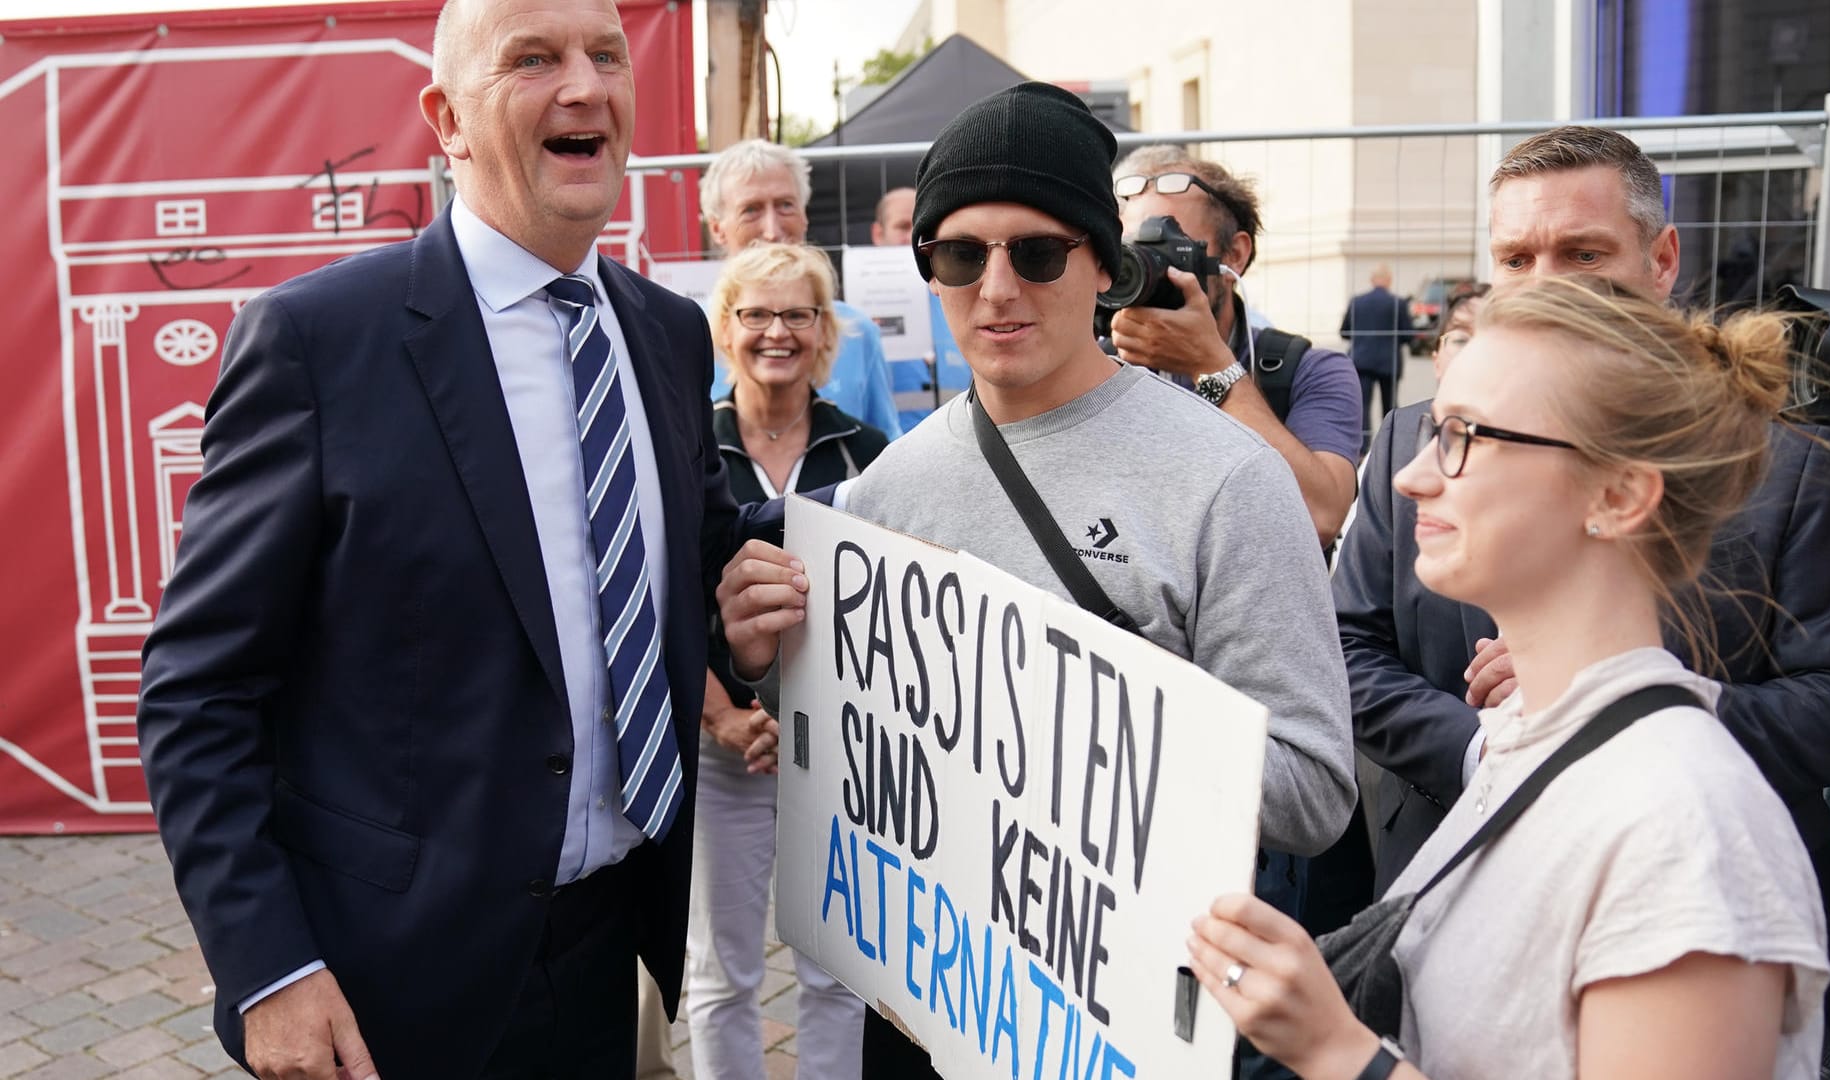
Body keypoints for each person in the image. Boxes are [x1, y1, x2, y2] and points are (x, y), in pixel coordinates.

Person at [134, 1, 768, 1076]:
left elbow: (687, 565)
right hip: (388, 984)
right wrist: (270, 969)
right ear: (447, 120)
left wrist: (743, 616)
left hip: (614, 947)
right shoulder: (317, 343)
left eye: (604, 56)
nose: (582, 85)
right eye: (533, 60)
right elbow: (197, 692)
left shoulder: (666, 335)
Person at [715, 81, 1357, 1079]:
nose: (998, 290)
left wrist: (1084, 709)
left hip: (1130, 1021)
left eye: (1040, 252)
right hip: (928, 1007)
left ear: (1105, 265)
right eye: (961, 255)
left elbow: (1316, 790)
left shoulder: (1231, 480)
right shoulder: (888, 486)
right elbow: (858, 742)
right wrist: (767, 660)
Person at [1192, 275, 1830, 1080]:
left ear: (1620, 493)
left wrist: (1341, 1053)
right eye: (1432, 430)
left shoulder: (1684, 829)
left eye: (1464, 436)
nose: (1410, 477)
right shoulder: (1529, 740)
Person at [1334, 124, 1830, 954]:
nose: (1546, 284)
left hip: (1708, 898)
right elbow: (1346, 649)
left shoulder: (1789, 450)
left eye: (1583, 254)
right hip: (1454, 885)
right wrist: (1488, 745)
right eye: (1518, 259)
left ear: (1661, 260)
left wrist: (1604, 698)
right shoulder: (1417, 439)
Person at [686, 243, 884, 1080]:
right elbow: (660, 604)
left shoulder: (866, 449)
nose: (777, 331)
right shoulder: (687, 445)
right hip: (720, 742)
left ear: (824, 331)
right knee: (720, 974)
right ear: (726, 329)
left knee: (836, 971)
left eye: (797, 313)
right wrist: (728, 717)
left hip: (837, 754)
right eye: (756, 313)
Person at [1106, 145, 1364, 547]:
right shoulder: (1098, 369)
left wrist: (1211, 367)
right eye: (1132, 250)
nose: (1146, 266)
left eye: (1168, 247)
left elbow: (1322, 516)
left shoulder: (1309, 372)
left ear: (1234, 256)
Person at [700, 139, 902, 439]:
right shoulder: (689, 335)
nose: (772, 229)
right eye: (751, 210)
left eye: (785, 206)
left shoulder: (856, 331)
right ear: (717, 228)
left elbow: (886, 455)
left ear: (805, 216)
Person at [870, 184, 972, 430]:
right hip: (885, 454)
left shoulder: (957, 298)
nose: (913, 236)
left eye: (920, 226)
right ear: (878, 234)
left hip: (959, 444)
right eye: (903, 227)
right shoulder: (862, 308)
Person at [1339, 266, 1414, 435]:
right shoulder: (1398, 303)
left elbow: (1344, 332)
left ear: (1372, 280)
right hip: (1389, 361)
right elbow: (1408, 335)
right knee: (1390, 406)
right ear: (1389, 280)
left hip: (1361, 360)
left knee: (1362, 405)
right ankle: (1391, 440)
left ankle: (1362, 447)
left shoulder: (1357, 301)